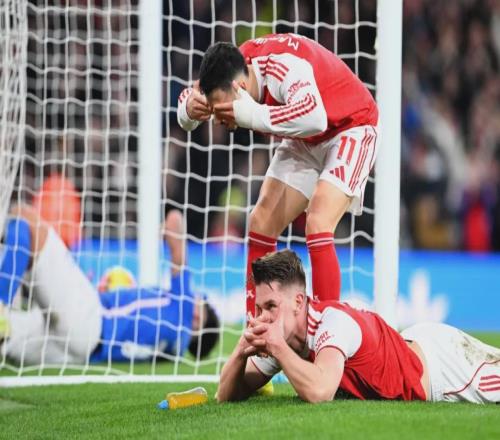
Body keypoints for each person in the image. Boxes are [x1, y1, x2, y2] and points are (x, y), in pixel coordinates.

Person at [177, 33, 379, 321]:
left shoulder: (283, 67)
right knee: (261, 222)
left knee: (318, 221)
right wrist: (187, 111)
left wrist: (252, 114)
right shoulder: (227, 69)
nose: (219, 119)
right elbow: (190, 95)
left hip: (351, 126)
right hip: (306, 139)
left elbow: (315, 117)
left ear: (240, 88)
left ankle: (328, 332)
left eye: (223, 109)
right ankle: (257, 328)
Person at [217, 249, 500, 404]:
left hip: (444, 369)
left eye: (271, 307)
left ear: (298, 302)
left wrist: (278, 348)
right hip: (408, 344)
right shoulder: (285, 337)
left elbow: (320, 392)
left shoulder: (332, 324)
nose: (263, 317)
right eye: (259, 309)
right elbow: (226, 395)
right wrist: (241, 351)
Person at [0, 206, 219, 365]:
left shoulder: (183, 311)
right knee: (6, 340)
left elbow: (174, 220)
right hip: (81, 351)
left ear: (197, 318)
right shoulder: (173, 351)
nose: (195, 297)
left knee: (25, 218)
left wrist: (162, 229)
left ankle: (2, 302)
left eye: (200, 301)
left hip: (91, 321)